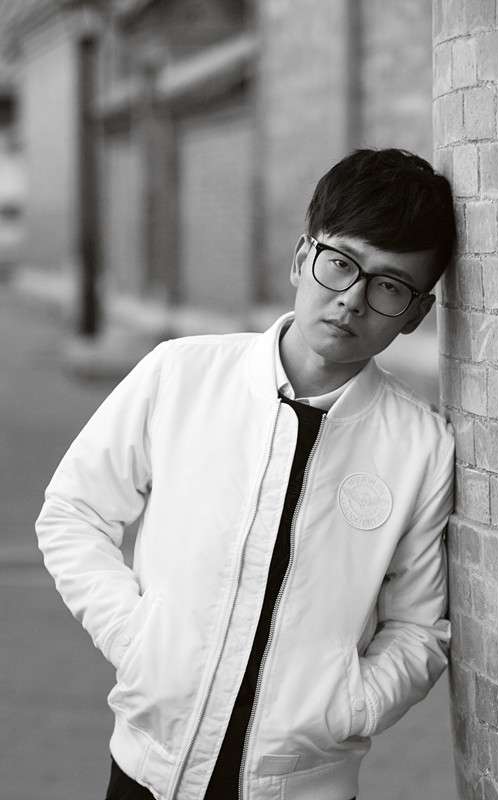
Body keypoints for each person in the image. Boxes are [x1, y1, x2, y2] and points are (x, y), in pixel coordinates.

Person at [35, 147, 457, 800]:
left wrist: (351, 704)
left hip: (306, 785)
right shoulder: (180, 374)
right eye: (339, 263)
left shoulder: (419, 447)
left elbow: (418, 626)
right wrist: (137, 638)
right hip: (147, 771)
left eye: (388, 286)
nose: (351, 300)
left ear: (416, 314)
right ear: (301, 257)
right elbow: (74, 511)